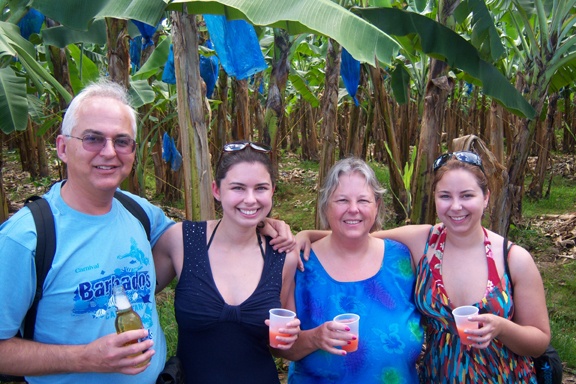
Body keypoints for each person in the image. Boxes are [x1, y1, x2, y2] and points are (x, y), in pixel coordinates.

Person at [0, 80, 295, 384]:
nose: (109, 152)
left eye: (122, 141)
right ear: (62, 147)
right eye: (93, 139)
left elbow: (216, 238)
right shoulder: (26, 238)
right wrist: (85, 357)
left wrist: (263, 222)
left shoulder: (141, 215)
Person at [298, 151, 551, 382]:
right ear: (435, 199)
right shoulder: (424, 242)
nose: (455, 206)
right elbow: (357, 232)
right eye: (445, 196)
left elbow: (539, 341)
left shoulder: (512, 259)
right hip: (437, 376)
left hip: (501, 376)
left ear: (485, 197)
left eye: (467, 195)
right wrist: (306, 235)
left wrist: (501, 328)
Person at [153, 140, 300, 384]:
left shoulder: (283, 255)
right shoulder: (180, 240)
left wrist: (292, 338)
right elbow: (132, 294)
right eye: (238, 188)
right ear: (216, 190)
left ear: (273, 191)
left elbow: (281, 347)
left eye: (261, 188)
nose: (250, 199)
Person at [279, 157, 423, 383]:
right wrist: (315, 338)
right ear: (326, 205)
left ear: (377, 205)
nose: (353, 209)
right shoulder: (300, 263)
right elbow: (282, 347)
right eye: (342, 200)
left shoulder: (403, 259)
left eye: (363, 200)